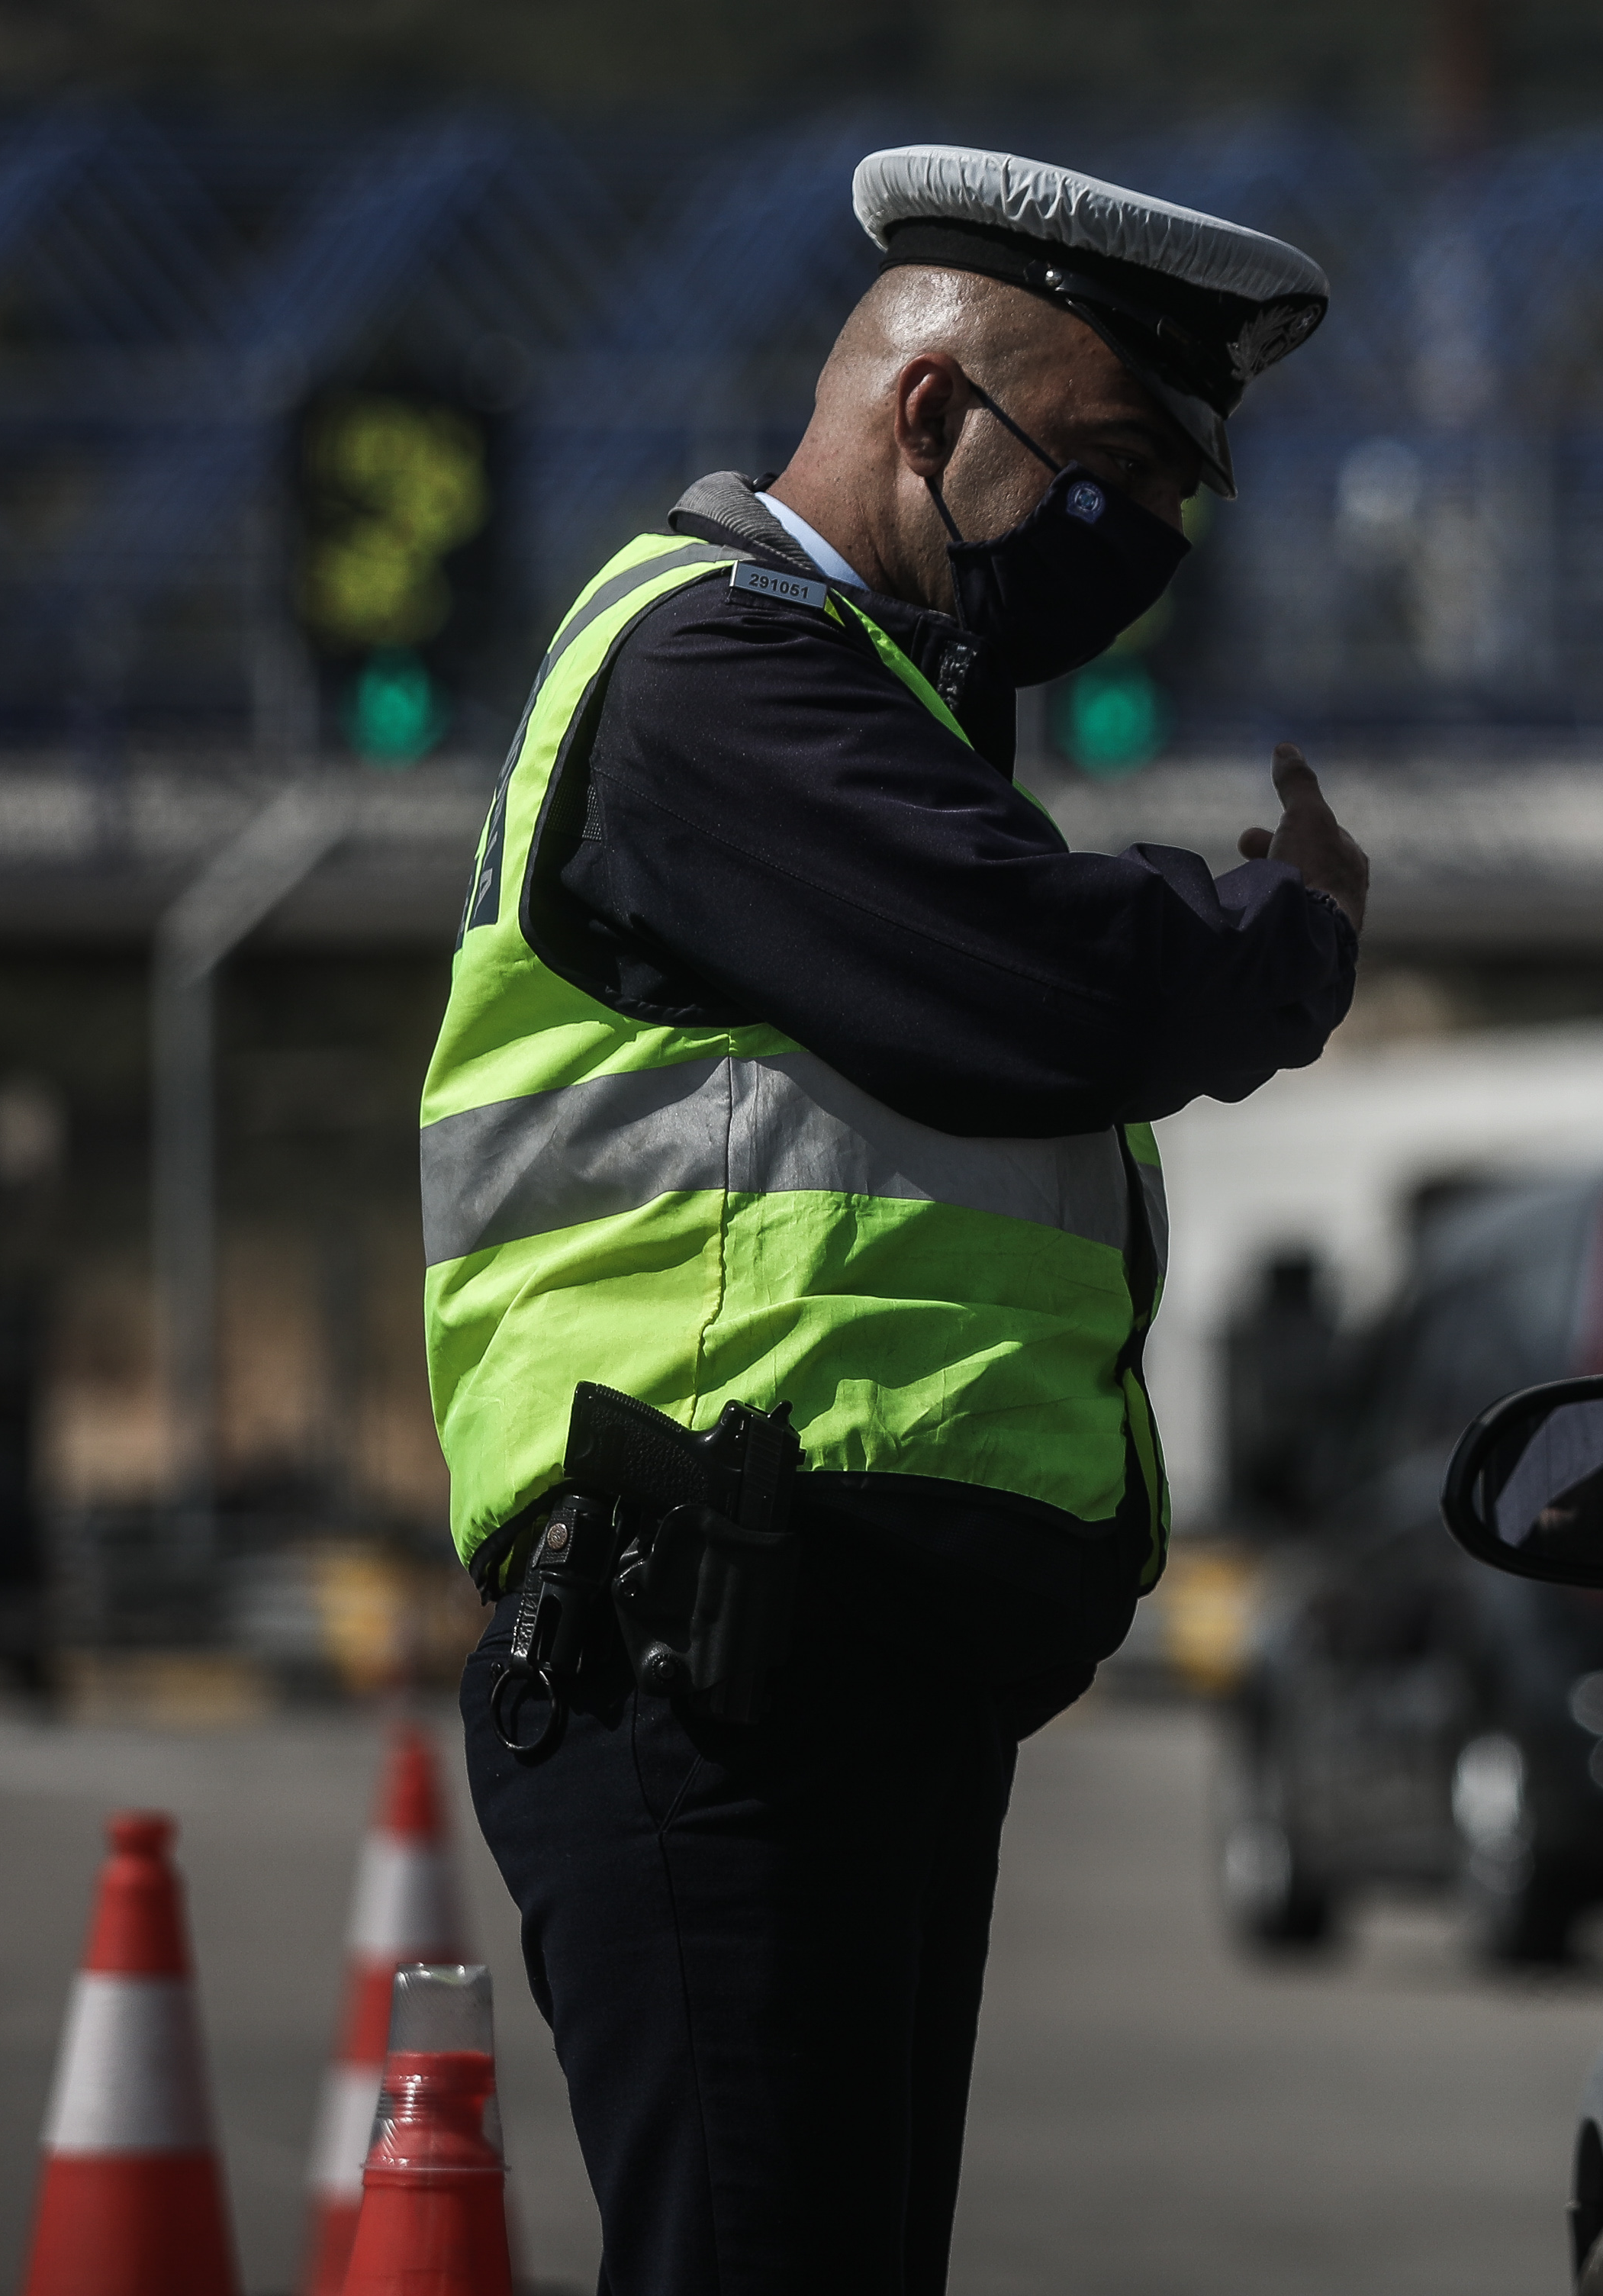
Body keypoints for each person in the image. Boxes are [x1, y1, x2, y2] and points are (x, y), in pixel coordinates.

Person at [424, 147, 1370, 2294]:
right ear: (936, 417)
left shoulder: (868, 714)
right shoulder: (708, 674)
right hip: (703, 1649)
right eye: (1120, 467)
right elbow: (1054, 981)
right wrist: (1278, 934)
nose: (1153, 544)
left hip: (839, 1672)